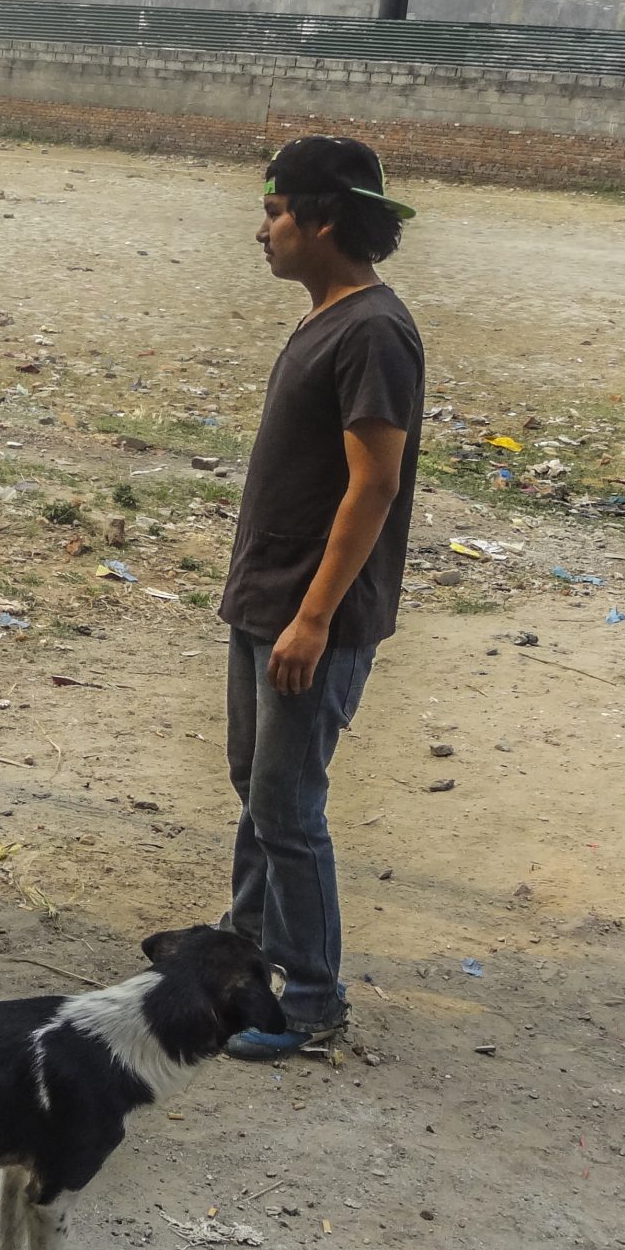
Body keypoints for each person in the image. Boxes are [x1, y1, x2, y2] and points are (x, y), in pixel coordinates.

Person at [217, 136, 425, 1060]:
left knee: (289, 809)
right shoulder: (326, 317)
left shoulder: (375, 330)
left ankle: (310, 1001)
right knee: (256, 790)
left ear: (323, 218)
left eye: (274, 213)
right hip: (266, 600)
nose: (261, 232)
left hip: (312, 616)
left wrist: (313, 617)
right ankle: (247, 957)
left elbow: (373, 484)